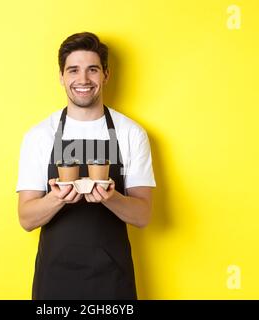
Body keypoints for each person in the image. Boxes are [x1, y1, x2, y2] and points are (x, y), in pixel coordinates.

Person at [16, 32, 156, 300]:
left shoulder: (130, 133)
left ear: (106, 74)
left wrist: (110, 197)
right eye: (73, 70)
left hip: (112, 280)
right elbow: (26, 218)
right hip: (54, 281)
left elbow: (143, 216)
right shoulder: (40, 135)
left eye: (92, 70)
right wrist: (58, 199)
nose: (83, 80)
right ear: (61, 77)